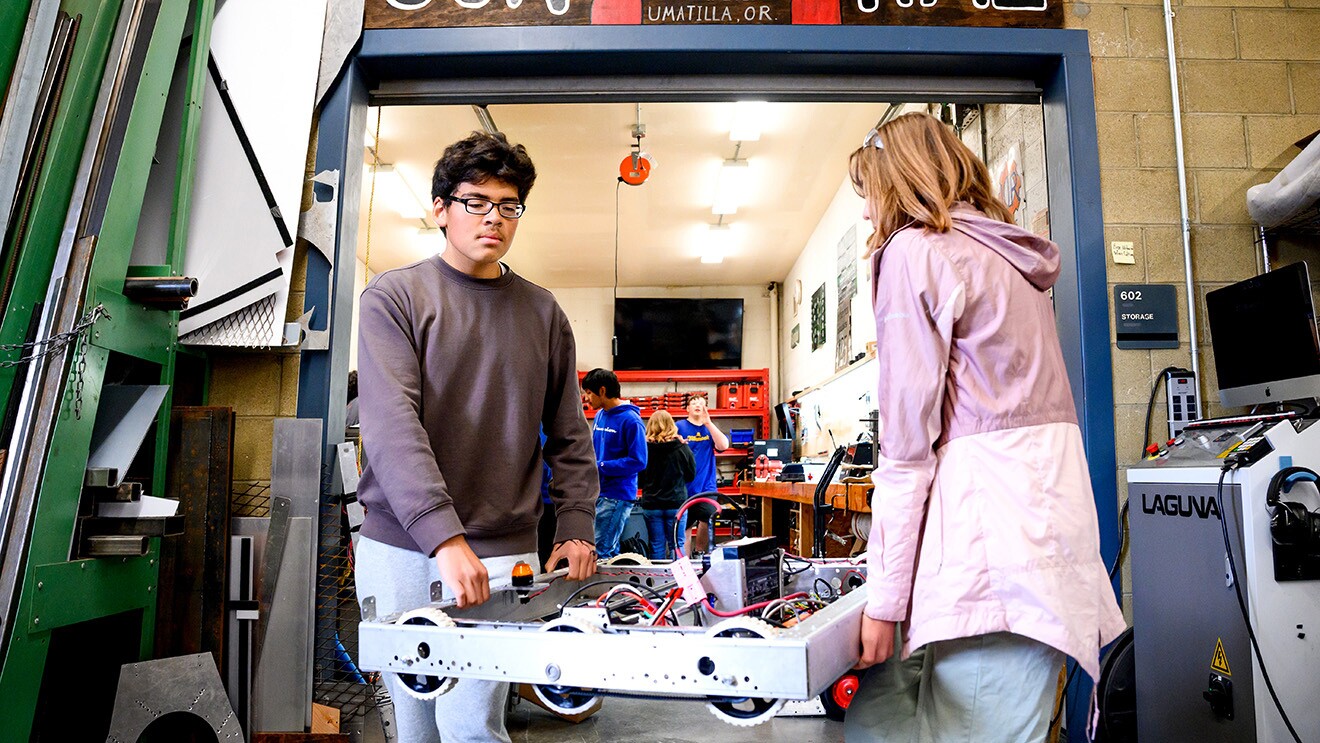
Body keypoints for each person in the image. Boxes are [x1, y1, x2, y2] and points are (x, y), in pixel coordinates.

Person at [844, 112, 1125, 742]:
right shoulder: (1008, 259)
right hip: (1041, 551)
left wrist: (884, 601)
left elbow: (907, 451)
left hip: (990, 562)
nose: (867, 217)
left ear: (901, 181)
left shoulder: (914, 252)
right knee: (881, 717)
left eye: (870, 195)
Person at [354, 131, 599, 743]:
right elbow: (390, 425)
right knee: (411, 724)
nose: (494, 218)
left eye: (508, 205)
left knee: (470, 725)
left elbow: (570, 433)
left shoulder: (543, 314)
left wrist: (575, 526)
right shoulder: (395, 298)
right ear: (440, 209)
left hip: (502, 550)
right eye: (475, 202)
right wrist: (443, 535)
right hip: (403, 545)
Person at [582, 368, 647, 560]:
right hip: (599, 492)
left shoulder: (631, 421)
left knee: (602, 552)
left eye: (589, 393)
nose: (586, 398)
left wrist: (601, 466)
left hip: (616, 495)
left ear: (602, 391)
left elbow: (639, 461)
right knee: (604, 548)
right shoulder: (602, 414)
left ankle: (606, 590)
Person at [638, 410, 696, 560]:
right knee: (677, 544)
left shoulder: (644, 449)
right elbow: (691, 475)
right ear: (672, 426)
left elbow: (639, 480)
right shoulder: (682, 448)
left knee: (656, 544)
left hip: (652, 504)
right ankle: (678, 581)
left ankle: (658, 582)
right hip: (676, 503)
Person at [676, 393, 729, 553]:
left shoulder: (709, 428)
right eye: (694, 403)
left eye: (701, 403)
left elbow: (723, 445)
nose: (698, 405)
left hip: (706, 486)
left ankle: (699, 553)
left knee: (707, 518)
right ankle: (684, 560)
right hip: (684, 487)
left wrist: (709, 423)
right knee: (685, 525)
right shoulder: (679, 426)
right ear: (687, 408)